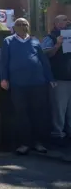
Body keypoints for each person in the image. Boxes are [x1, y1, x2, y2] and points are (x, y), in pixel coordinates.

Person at [0, 18, 54, 155]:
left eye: (25, 24)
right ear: (14, 27)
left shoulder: (35, 41)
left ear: (28, 26)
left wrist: (50, 78)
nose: (22, 26)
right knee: (21, 114)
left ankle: (38, 142)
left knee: (38, 114)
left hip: (37, 83)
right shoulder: (8, 41)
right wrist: (4, 78)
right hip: (18, 84)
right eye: (19, 24)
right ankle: (24, 143)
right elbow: (4, 61)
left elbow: (44, 61)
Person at [41, 15, 71, 146]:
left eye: (67, 20)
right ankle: (58, 134)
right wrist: (58, 44)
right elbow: (46, 54)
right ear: (56, 23)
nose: (67, 22)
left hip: (69, 76)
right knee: (59, 107)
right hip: (59, 77)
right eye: (64, 20)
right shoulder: (50, 37)